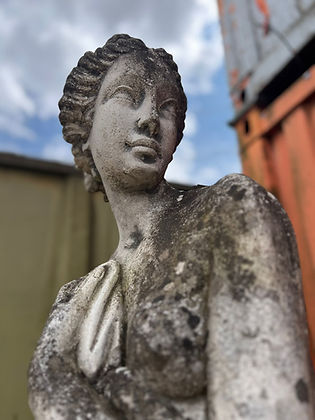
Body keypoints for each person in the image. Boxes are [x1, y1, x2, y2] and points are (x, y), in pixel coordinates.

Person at [28, 34, 314, 419]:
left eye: (166, 108)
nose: (148, 119)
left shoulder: (228, 209)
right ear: (86, 123)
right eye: (128, 96)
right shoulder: (77, 300)